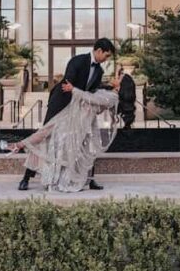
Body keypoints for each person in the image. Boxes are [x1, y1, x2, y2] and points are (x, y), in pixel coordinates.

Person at [15, 38, 115, 191]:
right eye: (106, 55)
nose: (106, 59)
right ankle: (26, 178)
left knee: (86, 141)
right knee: (45, 137)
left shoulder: (99, 71)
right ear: (99, 50)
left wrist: (108, 89)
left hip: (79, 110)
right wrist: (78, 92)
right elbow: (68, 84)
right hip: (60, 104)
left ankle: (89, 179)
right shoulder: (77, 61)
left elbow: (91, 91)